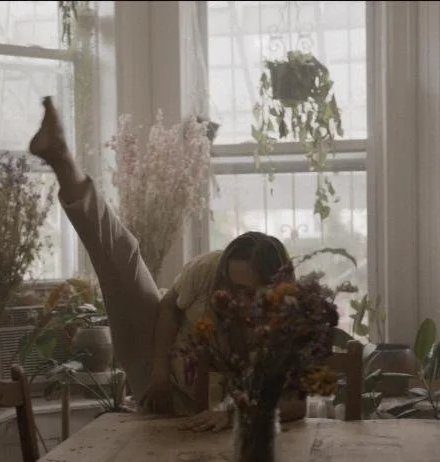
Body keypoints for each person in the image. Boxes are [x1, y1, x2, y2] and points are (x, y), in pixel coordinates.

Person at [28, 97, 299, 431]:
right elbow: (169, 307)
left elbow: (295, 403)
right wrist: (158, 376)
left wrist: (233, 413)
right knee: (123, 257)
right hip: (160, 381)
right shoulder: (209, 267)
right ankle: (61, 159)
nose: (232, 298)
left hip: (209, 419)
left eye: (246, 292)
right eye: (228, 286)